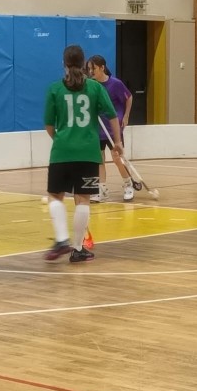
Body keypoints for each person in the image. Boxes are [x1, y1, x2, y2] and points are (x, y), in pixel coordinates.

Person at [43, 45, 122, 262]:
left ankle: (62, 239)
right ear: (84, 64)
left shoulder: (54, 89)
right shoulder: (95, 88)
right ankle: (78, 249)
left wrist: (61, 140)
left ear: (64, 63)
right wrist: (117, 142)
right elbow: (112, 115)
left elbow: (49, 125)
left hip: (61, 152)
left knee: (55, 196)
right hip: (88, 153)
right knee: (84, 199)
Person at [86, 55, 135, 203]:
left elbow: (129, 97)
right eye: (89, 69)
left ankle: (128, 184)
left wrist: (126, 116)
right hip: (98, 128)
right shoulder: (92, 85)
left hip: (113, 128)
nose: (91, 72)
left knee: (117, 158)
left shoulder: (115, 84)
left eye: (93, 68)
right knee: (99, 159)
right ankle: (102, 189)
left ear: (102, 67)